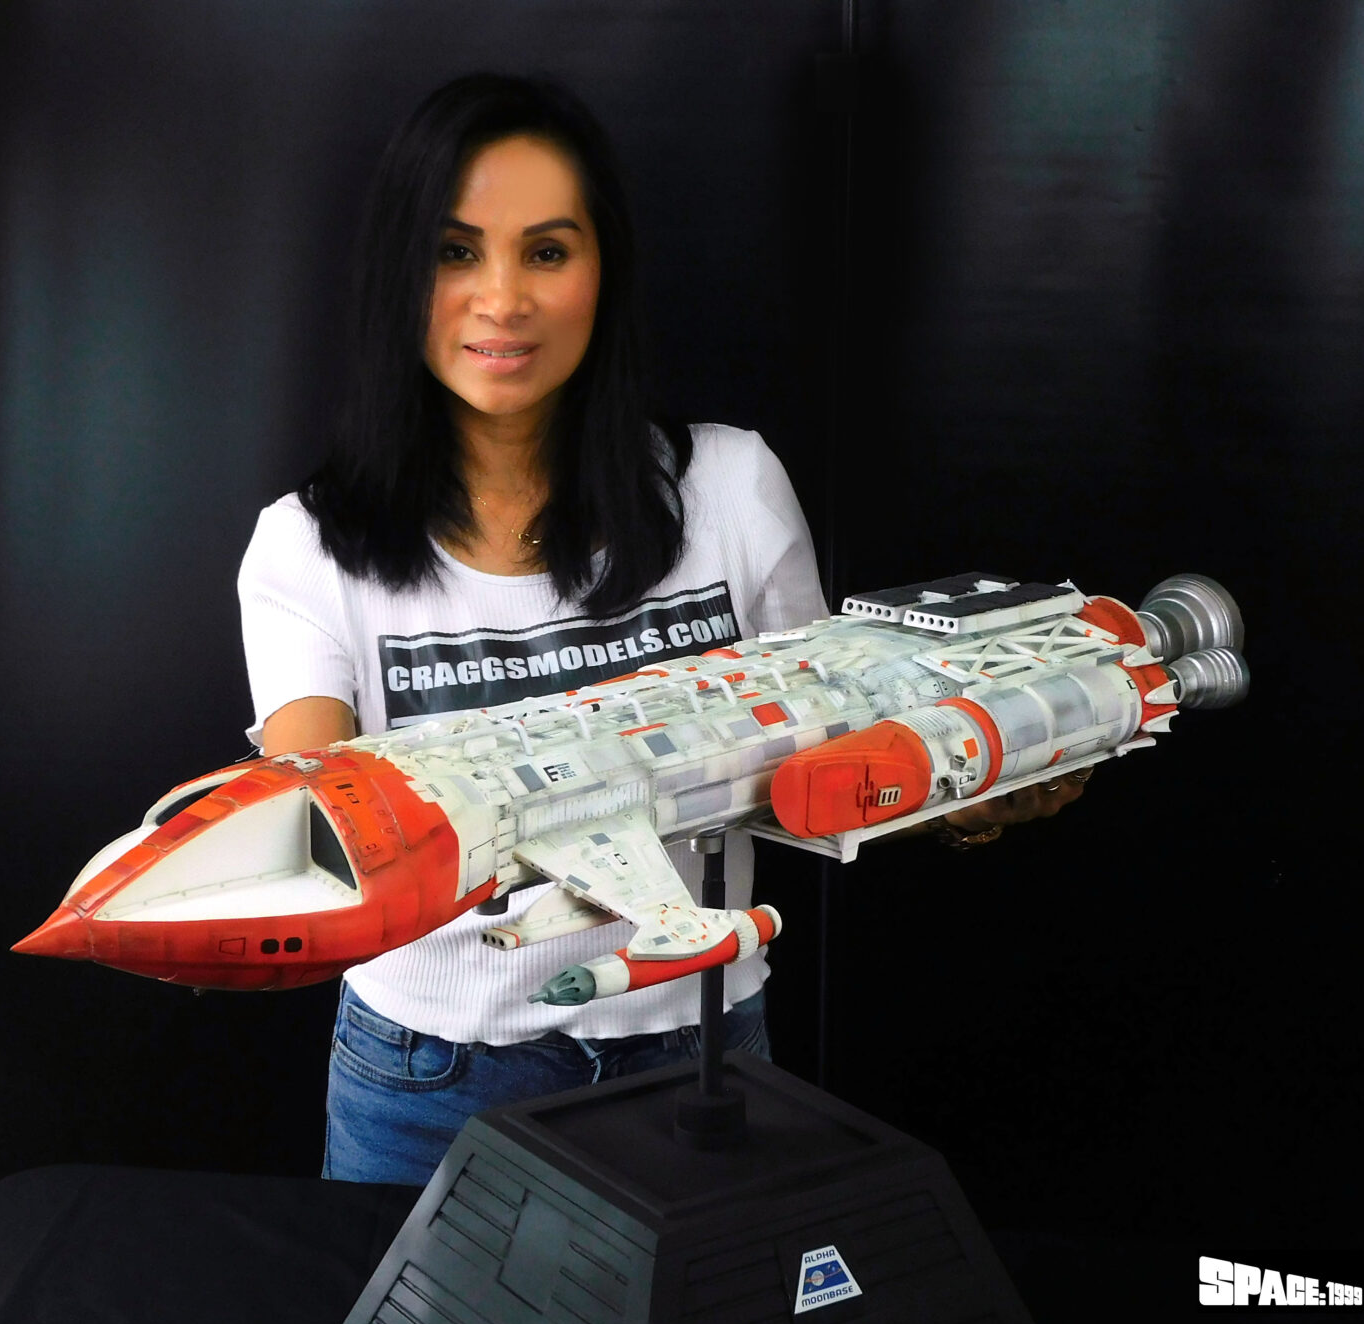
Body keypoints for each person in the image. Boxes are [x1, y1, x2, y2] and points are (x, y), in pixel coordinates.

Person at [237, 73, 1082, 1185]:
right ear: (401, 273)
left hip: (699, 1055)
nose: (502, 298)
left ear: (604, 270)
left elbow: (823, 743)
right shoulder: (306, 545)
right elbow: (315, 813)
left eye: (547, 251)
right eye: (455, 252)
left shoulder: (731, 489)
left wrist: (970, 790)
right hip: (427, 1077)